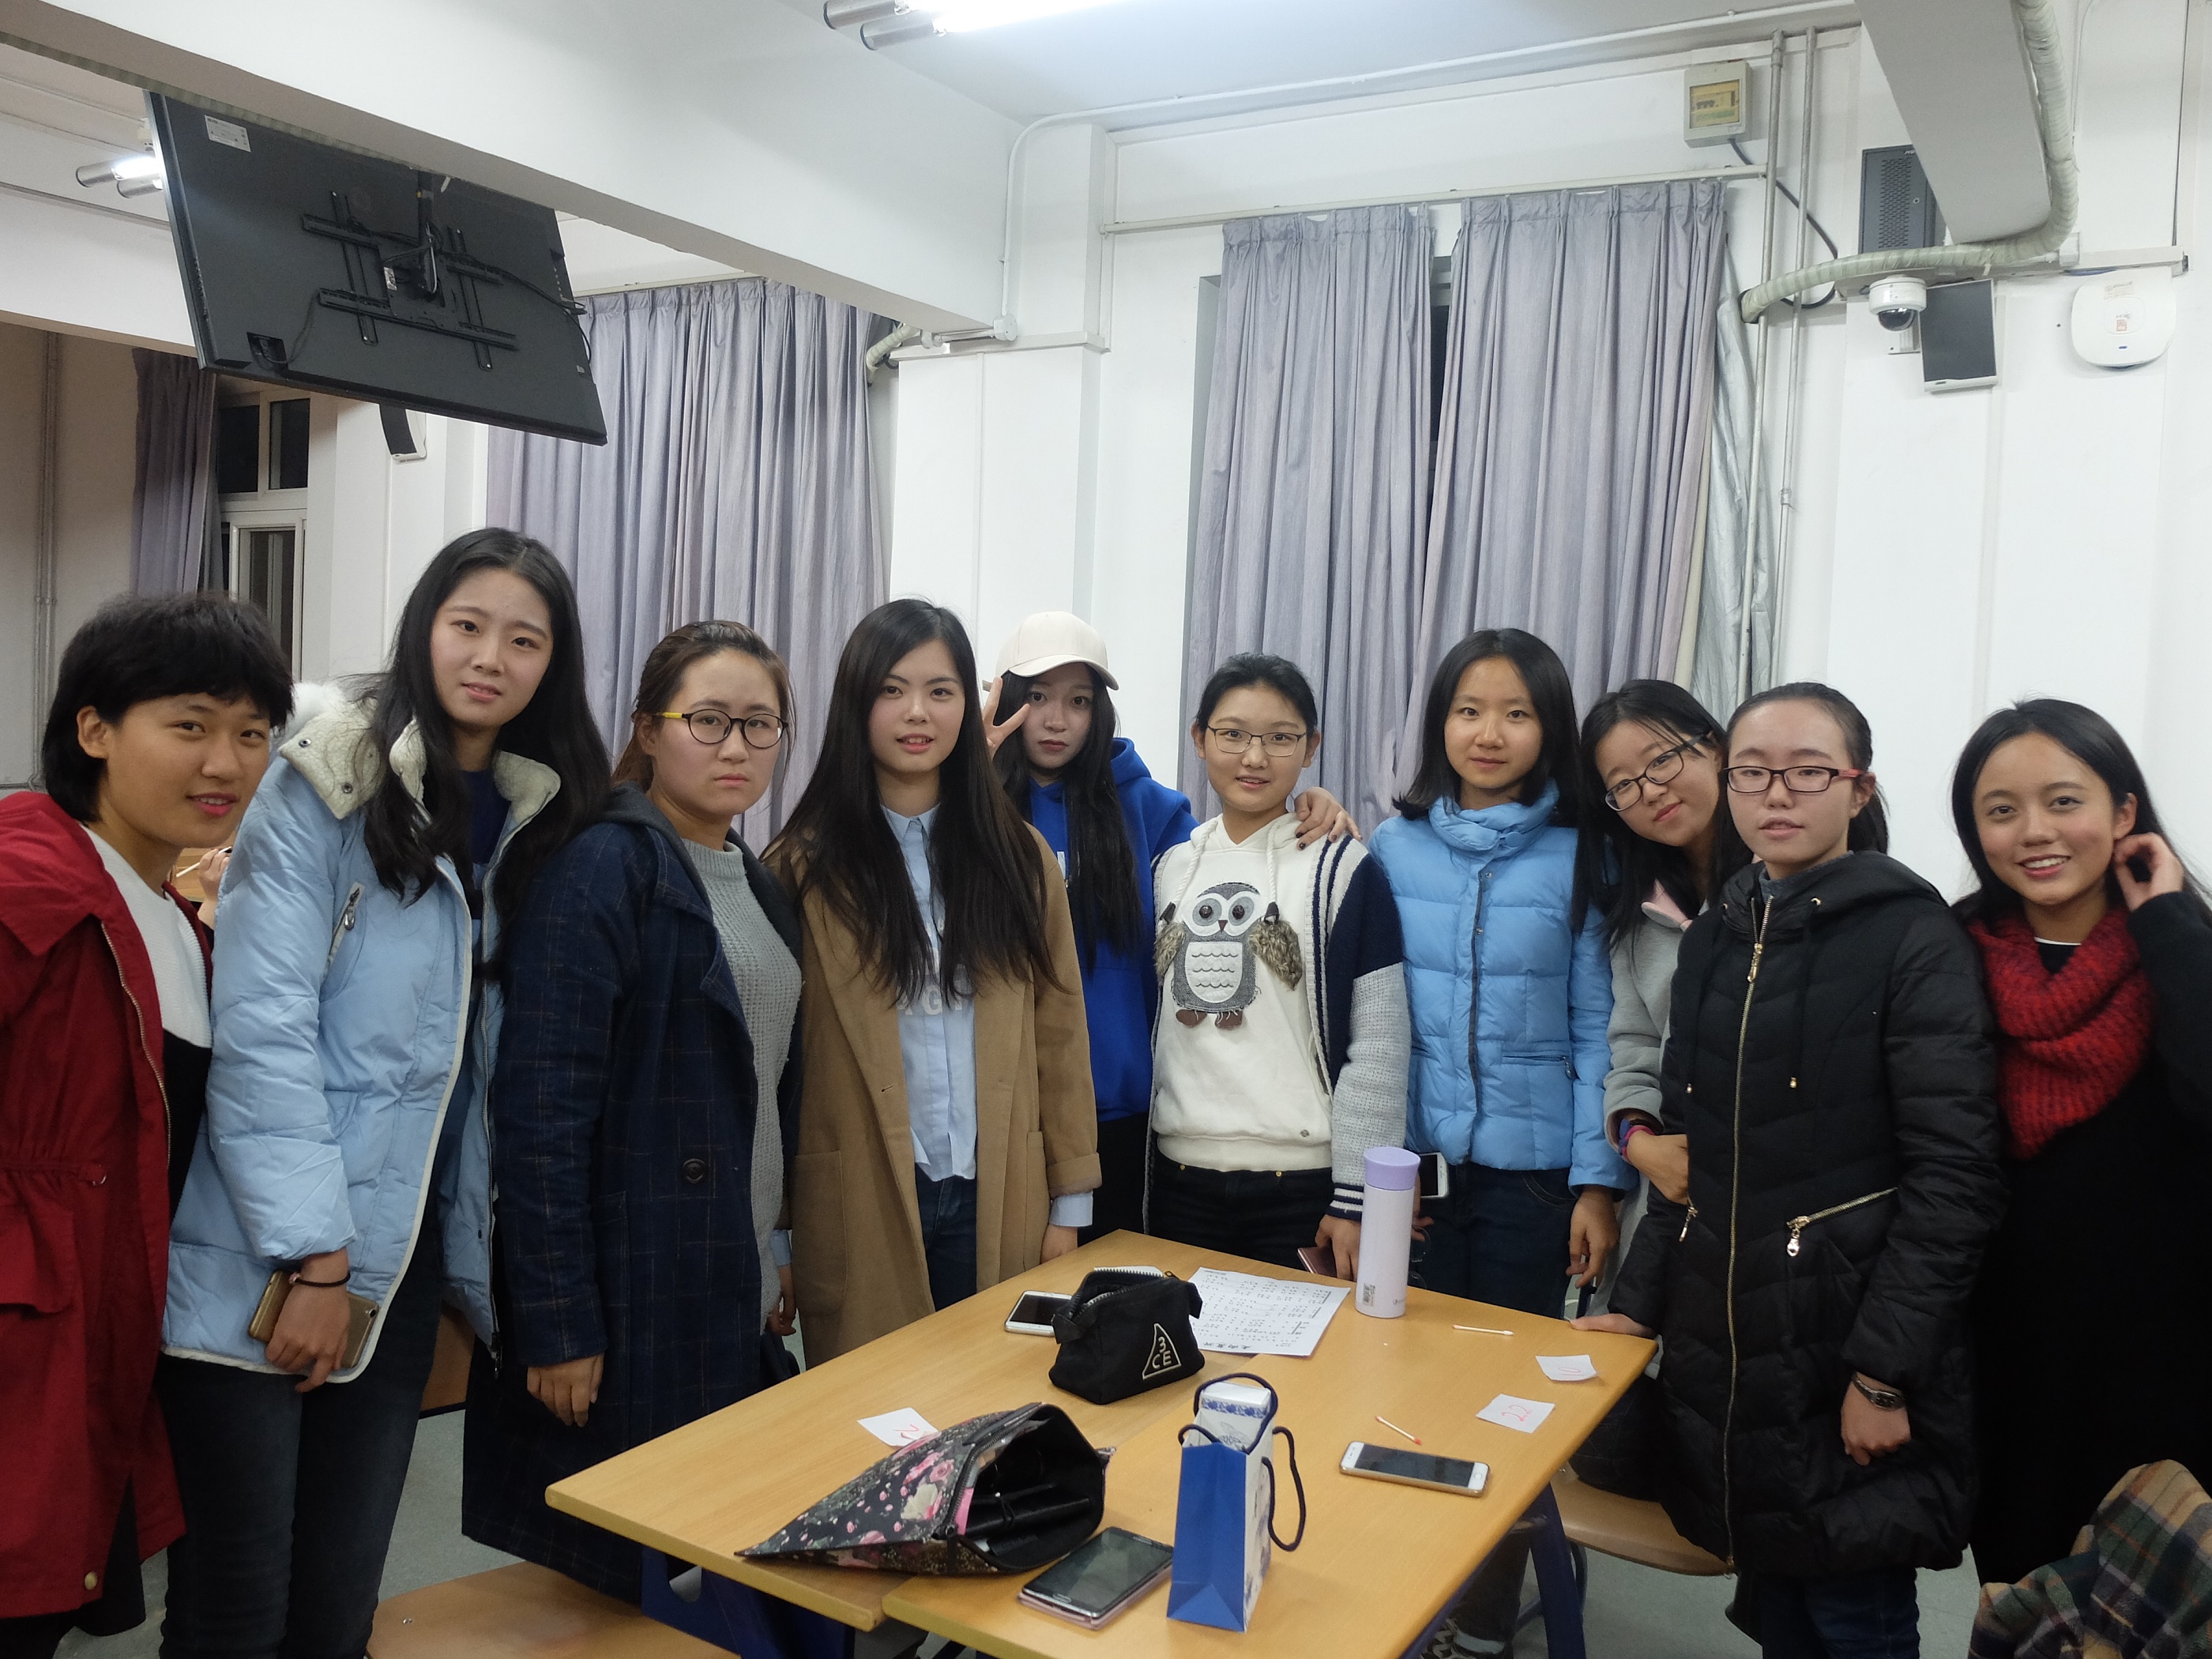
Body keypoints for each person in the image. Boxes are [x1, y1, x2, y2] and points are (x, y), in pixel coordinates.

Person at [157, 529, 608, 1659]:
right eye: (468, 625)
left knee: (337, 1607)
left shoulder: (545, 815)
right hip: (268, 1252)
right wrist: (315, 1261)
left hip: (398, 1266)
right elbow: (264, 1031)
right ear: (424, 628)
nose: (491, 658)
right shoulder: (328, 776)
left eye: (524, 640)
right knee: (236, 1609)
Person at [1582, 683, 2005, 1659]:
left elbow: (1954, 1180)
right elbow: (1690, 1155)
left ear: (1858, 787)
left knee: (1853, 1608)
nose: (1776, 793)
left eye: (1807, 771)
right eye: (1753, 772)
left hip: (1848, 1347)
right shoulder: (1718, 936)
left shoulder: (1912, 936)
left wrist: (1885, 1377)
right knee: (1778, 1614)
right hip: (1735, 1354)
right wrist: (1636, 1307)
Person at [464, 621, 804, 1601]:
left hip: (723, 1274)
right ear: (649, 731)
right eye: (708, 720)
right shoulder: (601, 866)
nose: (736, 746)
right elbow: (541, 1115)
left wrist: (775, 1248)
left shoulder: (756, 877)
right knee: (627, 1579)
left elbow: (767, 1085)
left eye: (760, 724)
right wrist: (558, 1323)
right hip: (630, 1286)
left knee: (702, 1561)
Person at [0, 594, 290, 1659]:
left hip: (97, 1333)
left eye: (252, 733)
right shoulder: (26, 882)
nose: (226, 762)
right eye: (190, 725)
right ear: (94, 729)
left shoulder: (168, 915)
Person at [1367, 630, 1620, 1656]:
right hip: (1413, 1177)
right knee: (1401, 1390)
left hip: (1533, 1181)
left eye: (1517, 713)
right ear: (1440, 722)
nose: (1489, 732)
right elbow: (1370, 1021)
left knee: (1505, 1407)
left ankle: (1478, 1625)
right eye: (1469, 710)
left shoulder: (1585, 853)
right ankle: (1402, 1596)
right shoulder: (1392, 848)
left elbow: (1601, 1026)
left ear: (1549, 729)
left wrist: (1596, 1184)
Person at [767, 599, 1097, 1363]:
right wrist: (776, 1232)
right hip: (859, 1193)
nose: (917, 712)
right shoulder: (800, 866)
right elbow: (775, 1069)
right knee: (873, 1407)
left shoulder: (1019, 859)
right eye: (892, 689)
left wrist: (1070, 1201)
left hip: (999, 1191)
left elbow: (1060, 1031)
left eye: (940, 691)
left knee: (997, 1403)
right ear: (856, 705)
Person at [983, 611, 1355, 1241]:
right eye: (1037, 697)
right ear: (1003, 701)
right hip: (1004, 1107)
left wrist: (1307, 808)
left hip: (1123, 1112)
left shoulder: (1148, 808)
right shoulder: (969, 810)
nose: (1056, 720)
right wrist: (968, 773)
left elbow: (1228, 863)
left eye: (1079, 701)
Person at [1949, 700, 2212, 1588]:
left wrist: (2165, 920)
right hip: (2006, 1361)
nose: (2034, 832)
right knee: (2023, 1604)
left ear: (2124, 811)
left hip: (2169, 1365)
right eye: (2001, 810)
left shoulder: (2184, 947)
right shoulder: (1947, 955)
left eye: (2064, 801)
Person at [1148, 652, 1408, 1276]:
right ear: (1199, 739)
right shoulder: (1168, 869)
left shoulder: (1342, 867)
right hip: (1179, 1178)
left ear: (1311, 746)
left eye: (1280, 738)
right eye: (1233, 734)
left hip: (1302, 1188)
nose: (1255, 757)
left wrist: (1356, 1194)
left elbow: (1379, 1042)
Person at [1577, 682, 1750, 1224]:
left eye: (1661, 761)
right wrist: (1636, 1139)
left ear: (1715, 748)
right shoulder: (1638, 914)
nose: (1649, 791)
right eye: (1623, 785)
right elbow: (1635, 1048)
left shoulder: (1782, 885)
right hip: (1669, 1201)